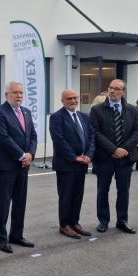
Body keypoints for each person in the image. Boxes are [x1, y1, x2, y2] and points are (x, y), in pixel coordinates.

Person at [0, 81, 37, 253]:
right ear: (6, 95)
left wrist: (30, 154)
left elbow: (33, 135)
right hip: (5, 166)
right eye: (15, 93)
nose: (18, 96)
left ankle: (16, 235)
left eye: (21, 93)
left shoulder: (26, 112)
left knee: (20, 202)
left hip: (23, 166)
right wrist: (22, 155)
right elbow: (3, 138)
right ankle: (2, 239)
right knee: (2, 204)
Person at [90, 79, 138, 234]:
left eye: (116, 89)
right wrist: (113, 149)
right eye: (110, 88)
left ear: (123, 92)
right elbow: (95, 132)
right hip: (105, 158)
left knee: (123, 191)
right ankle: (103, 221)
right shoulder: (97, 110)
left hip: (125, 158)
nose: (112, 91)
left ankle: (122, 220)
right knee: (102, 190)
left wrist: (123, 149)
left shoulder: (132, 110)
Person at [49, 89, 95, 239]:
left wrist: (88, 155)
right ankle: (64, 225)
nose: (73, 101)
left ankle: (75, 222)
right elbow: (59, 140)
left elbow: (91, 136)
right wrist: (74, 157)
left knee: (77, 195)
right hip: (66, 164)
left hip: (82, 163)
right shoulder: (57, 117)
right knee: (66, 195)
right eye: (69, 99)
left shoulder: (83, 116)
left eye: (75, 98)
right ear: (62, 101)